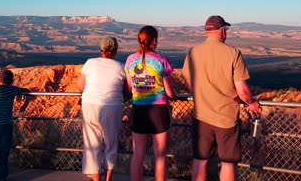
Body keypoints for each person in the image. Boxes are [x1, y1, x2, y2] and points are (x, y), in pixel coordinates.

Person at [181, 15, 260, 181]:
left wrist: (200, 94)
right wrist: (251, 103)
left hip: (201, 116)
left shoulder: (193, 52)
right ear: (222, 30)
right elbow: (243, 91)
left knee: (200, 160)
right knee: (228, 163)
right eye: (226, 29)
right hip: (226, 118)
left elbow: (187, 80)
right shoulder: (233, 53)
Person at [125, 26, 177, 181]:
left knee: (138, 154)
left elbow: (129, 88)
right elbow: (169, 92)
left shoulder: (129, 60)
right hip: (158, 111)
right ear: (154, 41)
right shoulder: (161, 61)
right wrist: (175, 96)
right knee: (160, 155)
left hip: (139, 110)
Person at [76, 36, 128, 181]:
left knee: (92, 144)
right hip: (112, 106)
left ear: (101, 49)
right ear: (116, 50)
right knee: (111, 143)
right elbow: (127, 89)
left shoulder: (90, 63)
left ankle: (96, 179)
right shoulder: (121, 66)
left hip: (89, 106)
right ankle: (108, 178)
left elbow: (80, 86)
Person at [0, 69, 30, 181]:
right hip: (5, 126)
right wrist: (24, 105)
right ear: (12, 81)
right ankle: (1, 178)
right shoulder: (12, 89)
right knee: (3, 155)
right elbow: (27, 91)